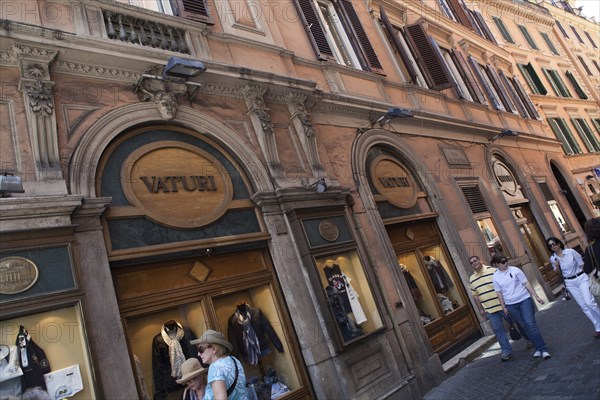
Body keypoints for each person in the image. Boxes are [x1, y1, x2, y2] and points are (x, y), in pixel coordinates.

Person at [469, 255, 532, 361]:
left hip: (503, 305)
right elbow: (475, 296)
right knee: (498, 330)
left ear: (480, 260)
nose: (474, 263)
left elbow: (504, 285)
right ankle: (506, 351)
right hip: (489, 309)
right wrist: (480, 309)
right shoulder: (472, 279)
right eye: (471, 263)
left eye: (475, 260)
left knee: (516, 322)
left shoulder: (493, 270)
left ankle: (529, 339)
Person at [491, 254, 551, 359]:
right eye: (503, 262)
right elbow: (499, 293)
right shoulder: (495, 277)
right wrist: (503, 307)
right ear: (497, 264)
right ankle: (538, 347)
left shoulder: (515, 270)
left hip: (524, 300)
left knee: (530, 324)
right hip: (510, 305)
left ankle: (543, 349)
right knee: (524, 326)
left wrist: (536, 296)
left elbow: (526, 283)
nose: (506, 263)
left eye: (506, 260)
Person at [548, 236, 600, 338]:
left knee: (590, 303)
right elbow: (557, 272)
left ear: (558, 243)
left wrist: (589, 277)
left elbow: (581, 265)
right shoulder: (553, 258)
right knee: (584, 306)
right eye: (550, 246)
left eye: (554, 244)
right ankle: (598, 327)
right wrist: (557, 265)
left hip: (581, 278)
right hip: (570, 282)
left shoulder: (571, 252)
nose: (553, 246)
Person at [191, 329, 248, 400]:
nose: (198, 354)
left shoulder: (215, 367)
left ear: (214, 349)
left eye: (201, 349)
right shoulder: (234, 360)